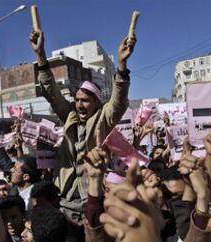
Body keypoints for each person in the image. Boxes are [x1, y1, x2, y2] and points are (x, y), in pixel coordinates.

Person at [29, 28, 137, 225]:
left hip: (94, 200)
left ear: (97, 103)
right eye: (77, 100)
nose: (79, 104)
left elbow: (119, 101)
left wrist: (122, 66)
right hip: (66, 201)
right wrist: (41, 55)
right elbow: (51, 92)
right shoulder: (69, 115)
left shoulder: (103, 118)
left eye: (85, 101)